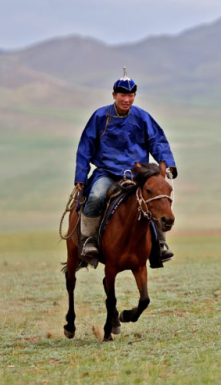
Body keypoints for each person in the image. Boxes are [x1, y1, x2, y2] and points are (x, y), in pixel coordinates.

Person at [74, 68, 177, 266]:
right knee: (95, 196)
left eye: (130, 95)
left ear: (134, 96)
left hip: (137, 174)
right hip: (107, 172)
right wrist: (80, 176)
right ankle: (89, 241)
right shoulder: (100, 117)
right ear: (114, 95)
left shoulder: (142, 117)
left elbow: (158, 141)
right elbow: (85, 146)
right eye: (123, 95)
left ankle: (160, 244)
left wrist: (169, 164)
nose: (127, 99)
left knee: (154, 198)